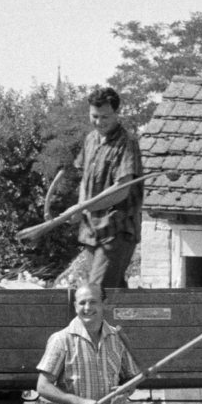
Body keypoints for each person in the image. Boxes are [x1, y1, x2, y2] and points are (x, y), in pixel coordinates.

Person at [76, 87, 144, 289]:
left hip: (117, 230)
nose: (99, 122)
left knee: (95, 292)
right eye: (94, 116)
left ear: (117, 113)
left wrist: (85, 207)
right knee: (112, 293)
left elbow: (122, 189)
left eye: (105, 117)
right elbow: (84, 180)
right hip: (91, 231)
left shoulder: (127, 143)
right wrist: (79, 208)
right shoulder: (90, 140)